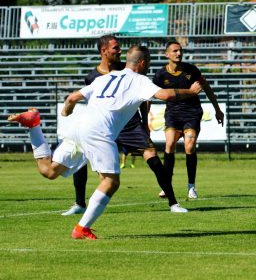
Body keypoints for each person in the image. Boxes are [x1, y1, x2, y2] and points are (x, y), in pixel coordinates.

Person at [8, 46, 202, 239]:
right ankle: (82, 228)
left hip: (78, 125)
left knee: (49, 171)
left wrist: (66, 111)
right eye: (148, 63)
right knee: (110, 181)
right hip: (98, 132)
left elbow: (72, 97)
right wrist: (191, 92)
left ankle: (34, 125)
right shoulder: (140, 80)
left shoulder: (105, 77)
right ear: (142, 63)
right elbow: (166, 95)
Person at [63, 35, 181, 217]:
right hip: (103, 126)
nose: (119, 51)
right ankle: (79, 203)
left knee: (152, 157)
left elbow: (142, 96)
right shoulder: (93, 77)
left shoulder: (126, 70)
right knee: (81, 158)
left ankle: (173, 202)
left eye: (119, 49)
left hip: (129, 124)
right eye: (115, 48)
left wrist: (143, 121)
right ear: (104, 51)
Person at [152, 41, 224, 200]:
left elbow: (207, 88)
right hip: (172, 114)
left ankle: (191, 187)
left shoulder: (191, 70)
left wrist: (218, 110)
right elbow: (149, 93)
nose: (179, 53)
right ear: (167, 54)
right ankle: (166, 186)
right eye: (175, 51)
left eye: (180, 50)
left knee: (189, 146)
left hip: (192, 113)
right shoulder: (160, 75)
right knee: (169, 144)